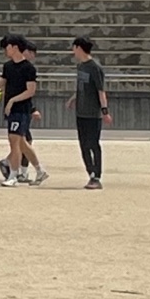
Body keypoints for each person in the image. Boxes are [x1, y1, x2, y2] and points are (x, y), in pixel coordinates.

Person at [0, 37, 49, 185]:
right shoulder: (8, 66)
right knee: (22, 143)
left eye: (7, 47)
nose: (6, 50)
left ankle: (13, 175)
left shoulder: (28, 68)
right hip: (12, 110)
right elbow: (0, 84)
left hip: (21, 109)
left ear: (14, 47)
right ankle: (40, 171)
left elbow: (30, 91)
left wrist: (13, 100)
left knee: (14, 142)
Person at [67, 36, 111, 190]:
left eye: (74, 48)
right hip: (81, 112)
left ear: (79, 48)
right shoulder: (81, 67)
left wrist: (104, 111)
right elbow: (81, 87)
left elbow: (100, 91)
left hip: (93, 113)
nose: (73, 51)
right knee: (84, 145)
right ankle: (91, 174)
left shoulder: (95, 67)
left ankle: (96, 176)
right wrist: (73, 99)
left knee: (93, 144)